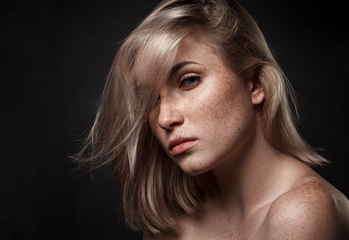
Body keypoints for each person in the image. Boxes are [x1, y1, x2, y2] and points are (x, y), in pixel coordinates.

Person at [76, 0, 349, 239]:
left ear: (255, 85)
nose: (165, 118)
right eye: (150, 100)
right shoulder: (174, 223)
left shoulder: (302, 210)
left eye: (189, 80)